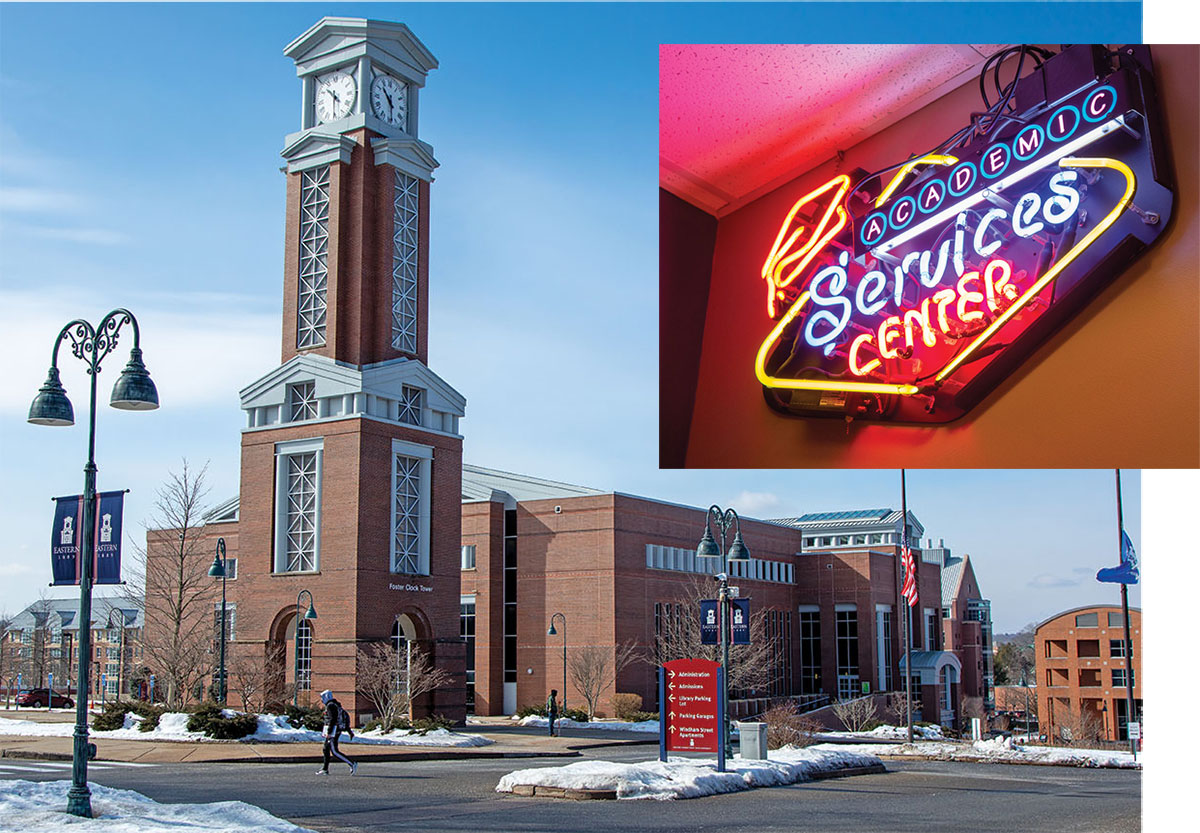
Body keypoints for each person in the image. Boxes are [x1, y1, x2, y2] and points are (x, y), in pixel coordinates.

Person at [316, 689, 357, 776]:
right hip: (335, 730)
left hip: (334, 731)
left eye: (323, 697)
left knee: (334, 751)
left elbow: (332, 720)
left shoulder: (331, 706)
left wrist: (329, 732)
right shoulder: (335, 705)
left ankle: (352, 763)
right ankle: (325, 769)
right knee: (326, 749)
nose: (322, 700)